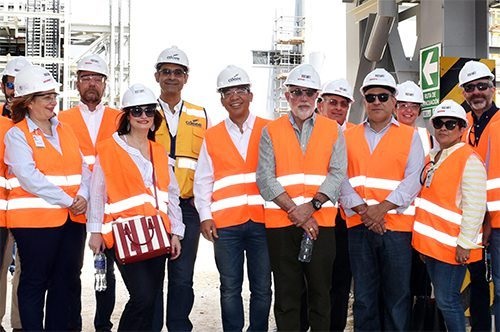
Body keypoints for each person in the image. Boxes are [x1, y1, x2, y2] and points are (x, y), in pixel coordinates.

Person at [256, 63, 347, 331]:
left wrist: (311, 207)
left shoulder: (333, 130)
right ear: (287, 96)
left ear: (317, 97)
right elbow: (265, 178)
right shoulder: (270, 131)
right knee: (287, 296)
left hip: (322, 225)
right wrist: (296, 212)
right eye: (296, 92)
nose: (303, 98)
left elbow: (338, 173)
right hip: (283, 226)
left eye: (309, 92)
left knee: (321, 294)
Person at [87, 83, 184, 331]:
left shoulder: (159, 151)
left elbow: (171, 194)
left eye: (149, 111)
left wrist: (176, 232)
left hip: (157, 233)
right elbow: (97, 193)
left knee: (151, 300)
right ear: (127, 115)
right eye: (137, 111)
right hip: (123, 235)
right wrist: (95, 231)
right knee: (142, 297)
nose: (143, 116)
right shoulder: (109, 149)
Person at [4, 65, 90, 331]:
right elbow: (29, 176)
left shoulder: (66, 130)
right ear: (28, 102)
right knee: (34, 282)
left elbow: (84, 168)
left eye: (54, 95)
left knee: (64, 282)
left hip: (72, 221)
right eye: (46, 97)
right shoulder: (17, 134)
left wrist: (84, 194)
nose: (54, 102)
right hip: (35, 224)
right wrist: (68, 200)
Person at [339, 68, 425, 331]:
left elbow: (414, 180)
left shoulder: (410, 136)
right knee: (364, 299)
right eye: (371, 97)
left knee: (397, 298)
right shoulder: (347, 136)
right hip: (359, 227)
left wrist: (382, 210)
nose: (377, 102)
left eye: (383, 97)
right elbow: (339, 178)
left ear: (393, 101)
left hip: (396, 230)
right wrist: (367, 213)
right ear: (364, 101)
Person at [194, 65, 272, 331]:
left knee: (262, 287)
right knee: (230, 288)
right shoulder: (212, 135)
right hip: (226, 225)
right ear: (222, 98)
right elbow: (203, 179)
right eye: (228, 91)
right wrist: (205, 216)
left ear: (251, 95)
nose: (235, 96)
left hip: (263, 221)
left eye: (240, 90)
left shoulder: (269, 129)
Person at [58, 54, 121, 332]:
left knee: (105, 273)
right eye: (86, 78)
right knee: (70, 272)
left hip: (108, 208)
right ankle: (72, 325)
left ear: (105, 83)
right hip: (74, 207)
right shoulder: (61, 119)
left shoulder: (120, 118)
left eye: (97, 78)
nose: (91, 83)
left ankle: (103, 325)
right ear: (77, 83)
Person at [412, 99, 486, 332]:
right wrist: (424, 248)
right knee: (445, 301)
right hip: (433, 248)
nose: (444, 128)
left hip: (453, 249)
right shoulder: (435, 156)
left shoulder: (469, 160)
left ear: (462, 129)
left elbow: (475, 207)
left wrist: (465, 244)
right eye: (439, 123)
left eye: (451, 124)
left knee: (448, 301)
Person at [153, 45, 209, 331]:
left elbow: (208, 165)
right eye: (166, 72)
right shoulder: (144, 111)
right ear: (157, 76)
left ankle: (178, 327)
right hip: (153, 209)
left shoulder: (200, 114)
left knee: (182, 277)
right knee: (151, 278)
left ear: (186, 77)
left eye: (178, 72)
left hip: (187, 209)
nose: (172, 77)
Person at [459, 60, 495, 332]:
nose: (476, 93)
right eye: (470, 88)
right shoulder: (463, 126)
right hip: (471, 222)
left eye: (482, 86)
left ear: (492, 89)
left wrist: (489, 221)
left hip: (498, 223)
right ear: (463, 93)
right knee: (479, 286)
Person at [317, 78, 354, 332]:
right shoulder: (308, 131)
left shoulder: (356, 135)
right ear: (321, 104)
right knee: (312, 282)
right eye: (333, 102)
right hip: (315, 218)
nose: (338, 108)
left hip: (344, 221)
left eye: (343, 104)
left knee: (340, 282)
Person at [0, 56, 30, 332]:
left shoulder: (39, 127)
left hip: (28, 211)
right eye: (11, 84)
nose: (14, 90)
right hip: (0, 212)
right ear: (3, 85)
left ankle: (21, 325)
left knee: (26, 272)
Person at [395, 80, 435, 156]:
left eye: (414, 106)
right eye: (404, 105)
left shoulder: (426, 136)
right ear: (395, 108)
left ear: (419, 111)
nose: (409, 110)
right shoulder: (383, 134)